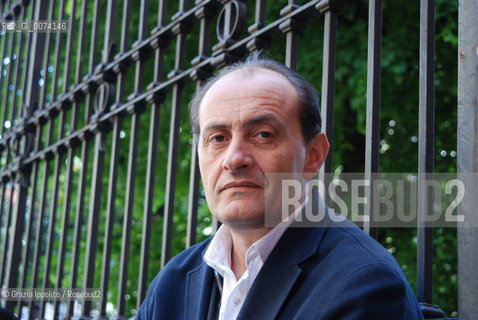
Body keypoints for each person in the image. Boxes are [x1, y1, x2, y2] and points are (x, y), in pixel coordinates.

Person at [137, 57, 424, 320]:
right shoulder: (172, 282)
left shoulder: (364, 283)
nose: (234, 159)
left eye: (263, 135)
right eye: (218, 138)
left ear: (313, 156)